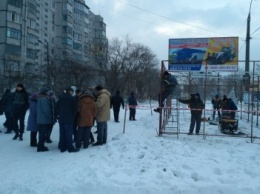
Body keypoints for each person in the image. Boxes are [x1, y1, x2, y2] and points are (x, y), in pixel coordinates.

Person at [57, 87, 79, 152]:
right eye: (72, 91)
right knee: (69, 133)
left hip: (61, 118)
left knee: (62, 133)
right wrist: (73, 115)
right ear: (70, 91)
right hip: (69, 118)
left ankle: (62, 146)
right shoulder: (72, 98)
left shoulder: (60, 98)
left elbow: (57, 107)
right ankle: (70, 147)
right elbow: (75, 109)